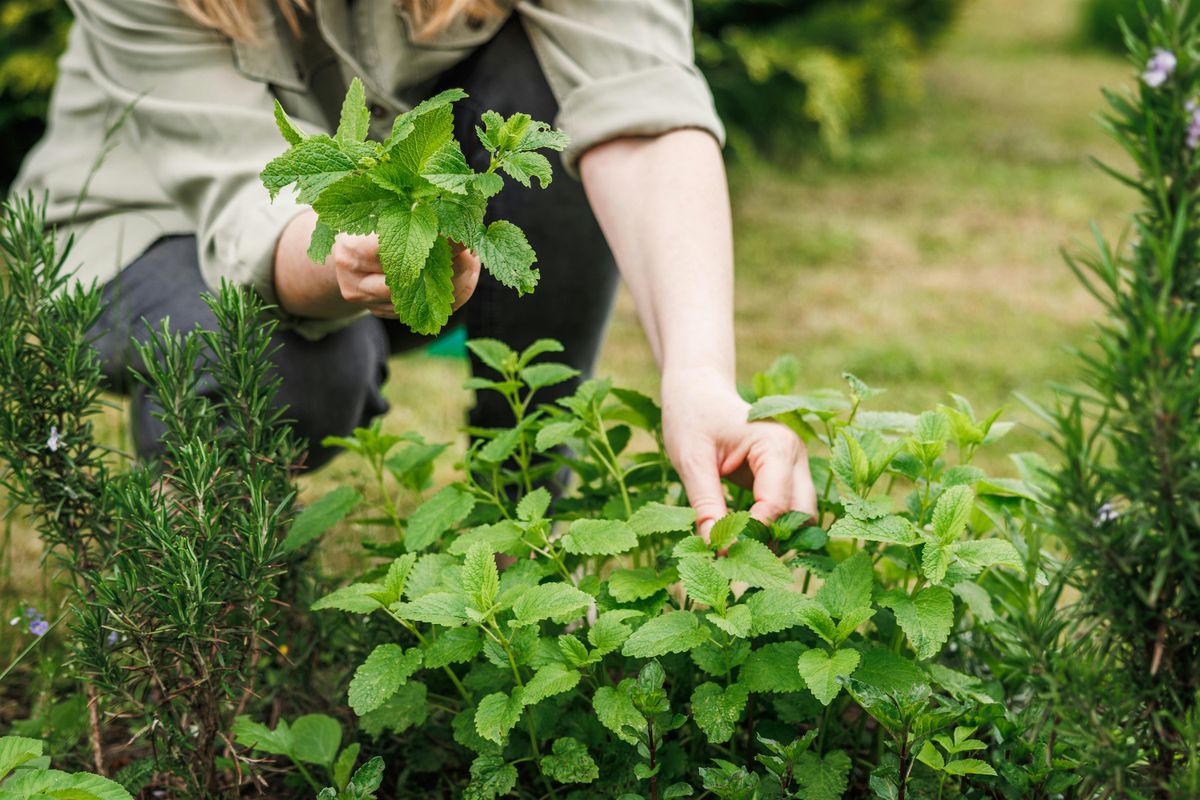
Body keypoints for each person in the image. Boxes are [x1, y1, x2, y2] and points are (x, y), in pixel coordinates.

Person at [12, 0, 816, 536]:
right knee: (288, 372)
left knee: (548, 113)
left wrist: (702, 376)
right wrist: (357, 258)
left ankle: (525, 515)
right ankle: (200, 574)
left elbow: (636, 104)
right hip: (143, 227)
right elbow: (247, 204)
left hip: (402, 226)